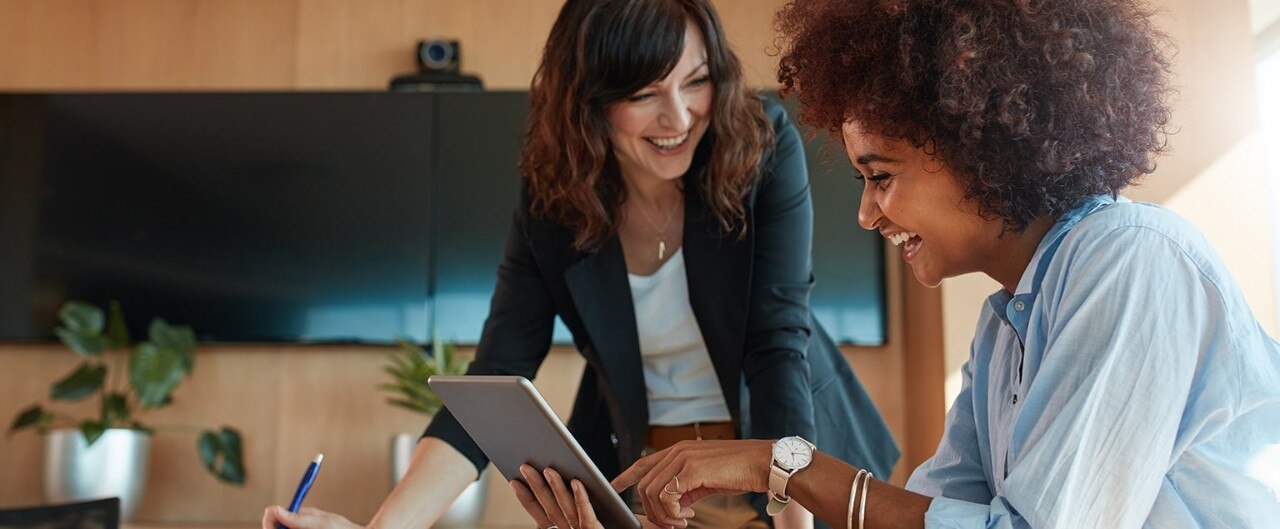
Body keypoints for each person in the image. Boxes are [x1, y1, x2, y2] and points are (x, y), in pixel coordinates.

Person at [514, 0, 1280, 527]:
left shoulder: (1128, 262)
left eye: (881, 177)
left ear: (981, 146)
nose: (867, 212)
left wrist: (777, 462)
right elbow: (934, 513)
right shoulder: (1005, 327)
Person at [262, 1, 898, 529]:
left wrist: (794, 517)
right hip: (650, 483)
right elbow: (496, 375)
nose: (679, 118)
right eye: (645, 93)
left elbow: (775, 342)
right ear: (589, 101)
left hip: (785, 459)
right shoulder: (555, 197)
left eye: (696, 80)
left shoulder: (760, 144)